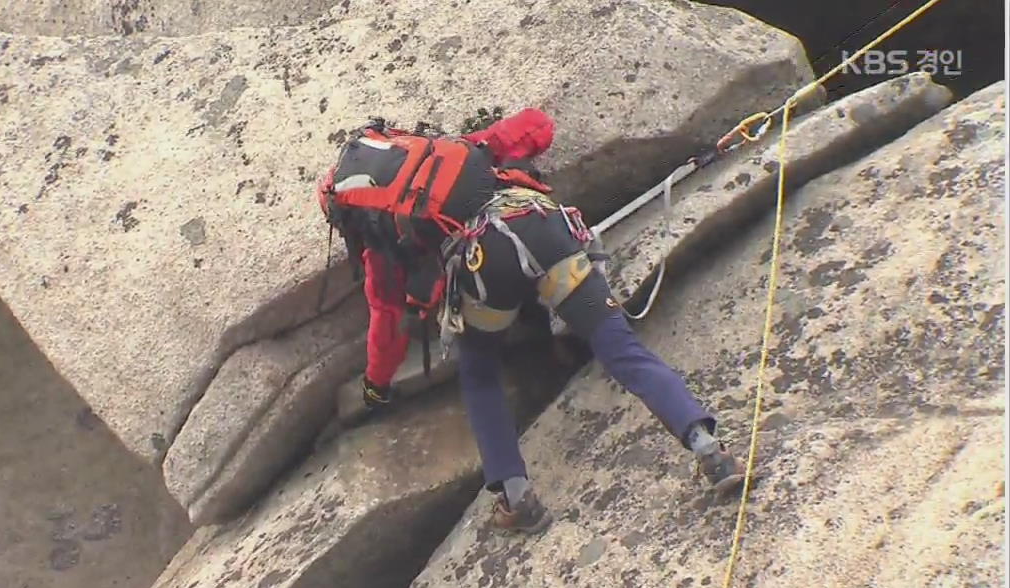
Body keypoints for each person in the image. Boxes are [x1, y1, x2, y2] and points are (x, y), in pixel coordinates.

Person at [317, 108, 745, 535]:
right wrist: (483, 146)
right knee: (623, 351)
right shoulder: (454, 155)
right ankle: (709, 449)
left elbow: (387, 322)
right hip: (540, 226)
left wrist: (375, 386)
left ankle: (518, 498)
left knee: (481, 373)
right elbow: (537, 126)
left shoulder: (385, 240)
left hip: (485, 266)